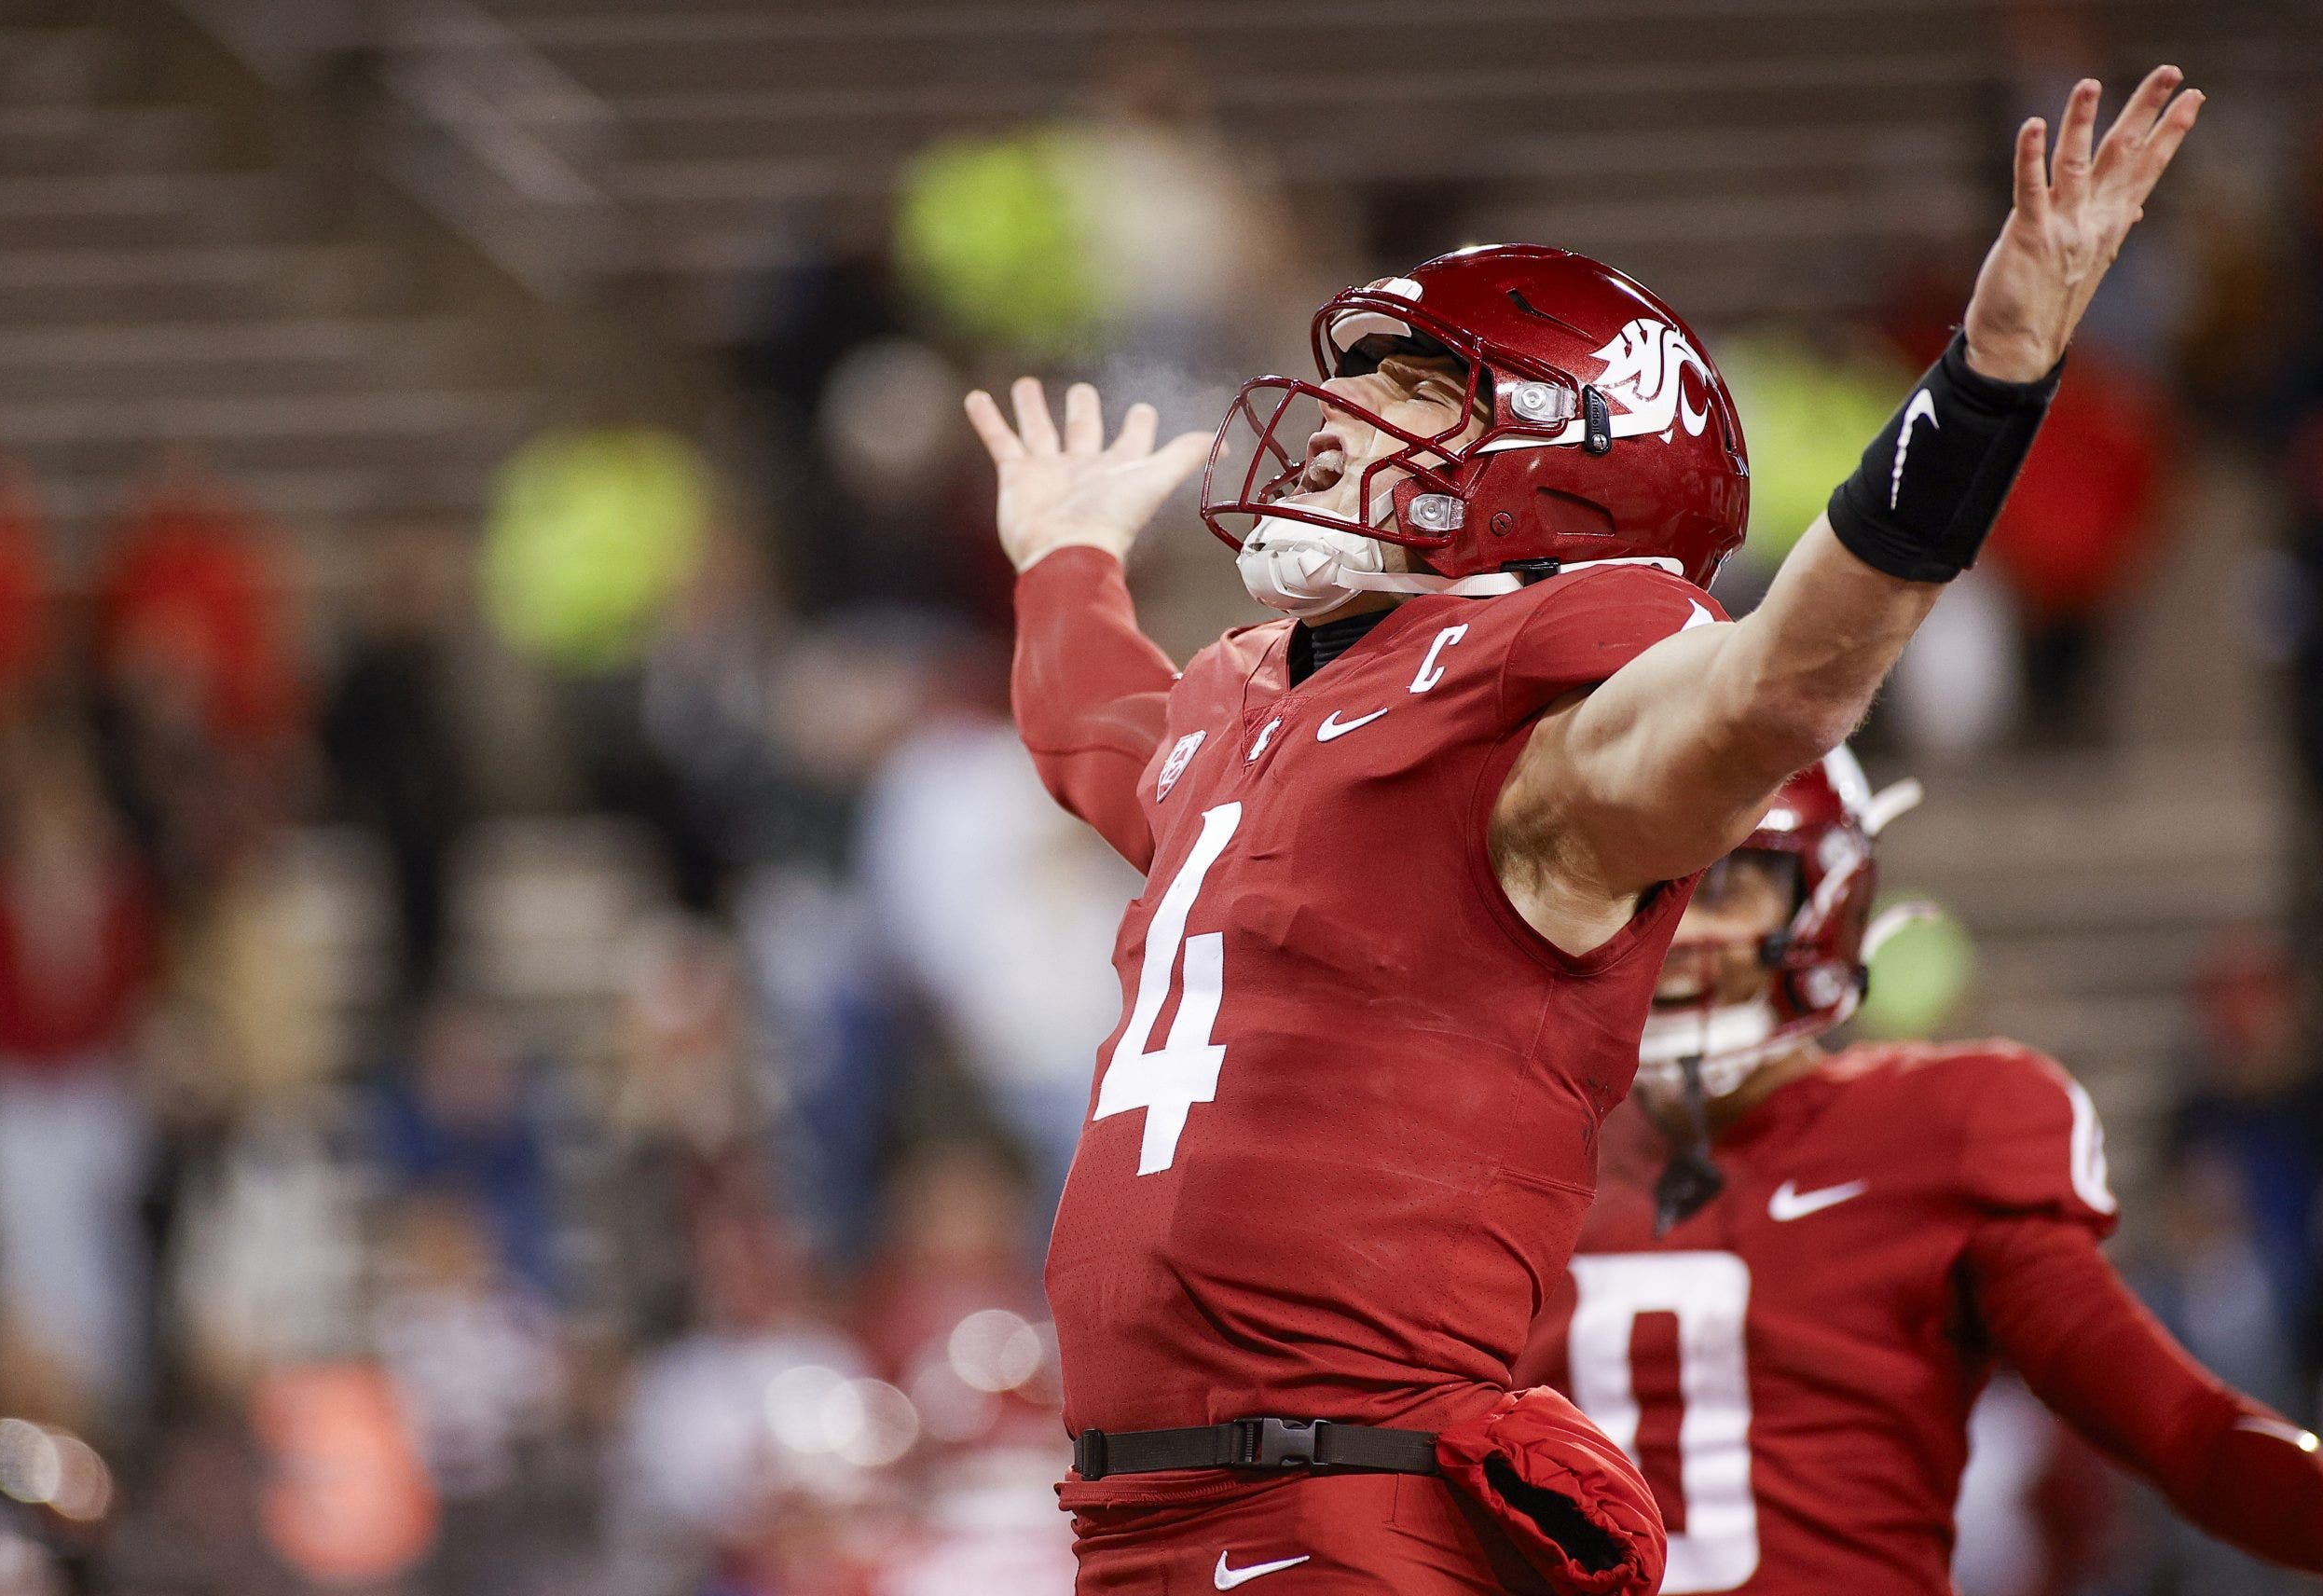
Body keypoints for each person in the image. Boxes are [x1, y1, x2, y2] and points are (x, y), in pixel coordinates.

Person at [968, 72, 2203, 1595]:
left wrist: (1990, 377)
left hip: (1338, 1507)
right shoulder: (1257, 702)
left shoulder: (1544, 681)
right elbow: (1099, 733)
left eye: (1412, 387)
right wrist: (1066, 559)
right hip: (1141, 1518)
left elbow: (1781, 681)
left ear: (1561, 451)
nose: (1343, 413)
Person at [1514, 751, 2323, 1594]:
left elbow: (2177, 1426)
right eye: (1645, 883)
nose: (1677, 928)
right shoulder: (1508, 1146)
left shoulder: (1940, 1126)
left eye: (1722, 887)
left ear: (1822, 901)